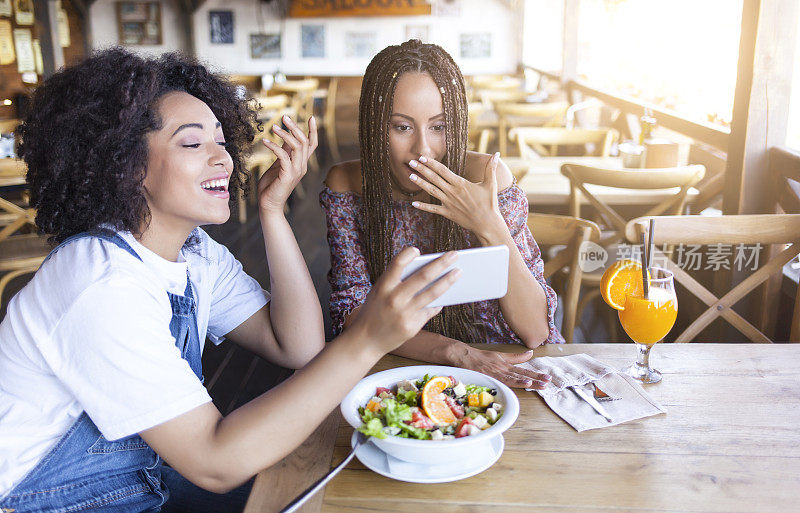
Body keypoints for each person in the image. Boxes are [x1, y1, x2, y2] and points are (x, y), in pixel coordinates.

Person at [0, 48, 459, 512]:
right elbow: (214, 463)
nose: (223, 158)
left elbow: (297, 346)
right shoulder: (101, 285)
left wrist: (272, 210)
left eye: (221, 140)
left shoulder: (195, 253)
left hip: (144, 479)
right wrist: (367, 339)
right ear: (127, 165)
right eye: (192, 143)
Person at [321, 40, 564, 390]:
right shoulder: (347, 185)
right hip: (402, 366)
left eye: (439, 126)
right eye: (402, 127)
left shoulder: (487, 178)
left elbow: (535, 331)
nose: (423, 148)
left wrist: (489, 225)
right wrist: (456, 353)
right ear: (374, 127)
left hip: (509, 365)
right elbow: (353, 313)